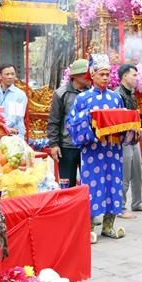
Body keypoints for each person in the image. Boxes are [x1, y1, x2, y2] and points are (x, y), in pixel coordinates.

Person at [68, 54, 134, 244]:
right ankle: (88, 228)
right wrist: (89, 120)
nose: (105, 77)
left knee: (113, 184)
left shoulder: (116, 98)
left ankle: (108, 226)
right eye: (101, 74)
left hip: (113, 151)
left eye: (107, 74)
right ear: (92, 75)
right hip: (92, 151)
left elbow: (123, 123)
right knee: (92, 186)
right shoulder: (83, 98)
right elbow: (72, 123)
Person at [47, 59, 91, 187]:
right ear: (75, 76)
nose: (89, 76)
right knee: (67, 185)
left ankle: (86, 207)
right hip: (67, 146)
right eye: (85, 73)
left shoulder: (92, 92)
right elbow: (54, 121)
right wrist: (54, 144)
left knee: (89, 184)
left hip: (88, 145)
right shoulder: (61, 93)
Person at [117, 64, 142, 218]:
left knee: (137, 173)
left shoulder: (131, 96)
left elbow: (134, 120)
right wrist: (140, 116)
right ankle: (120, 207)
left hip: (134, 139)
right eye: (134, 75)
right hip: (123, 140)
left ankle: (136, 203)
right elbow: (121, 120)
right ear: (124, 76)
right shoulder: (117, 96)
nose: (136, 78)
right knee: (124, 176)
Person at [0, 64, 28, 139]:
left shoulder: (20, 95)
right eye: (7, 74)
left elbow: (14, 118)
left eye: (12, 74)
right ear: (0, 76)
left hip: (14, 135)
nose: (10, 77)